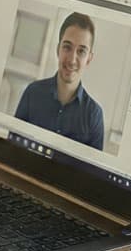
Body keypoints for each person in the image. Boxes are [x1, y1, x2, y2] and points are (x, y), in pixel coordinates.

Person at [14, 12, 106, 150]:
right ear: (58, 50)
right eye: (67, 47)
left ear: (89, 59)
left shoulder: (94, 115)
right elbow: (12, 146)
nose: (72, 60)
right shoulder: (32, 93)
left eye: (81, 51)